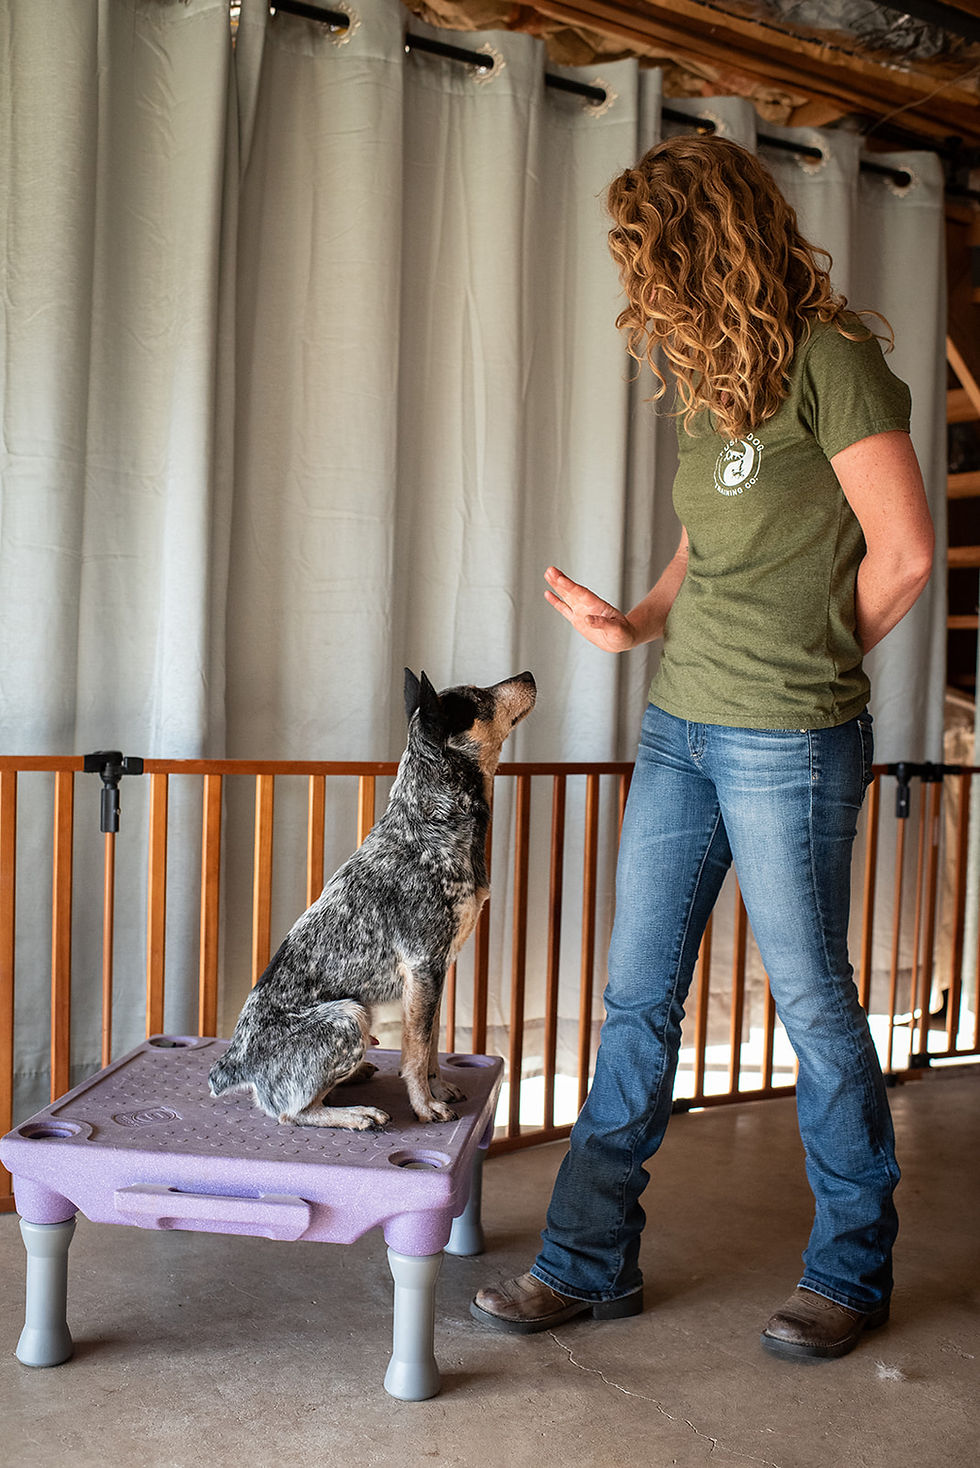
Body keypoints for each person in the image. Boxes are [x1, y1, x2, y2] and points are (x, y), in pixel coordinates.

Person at [470, 136, 935, 1361]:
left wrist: (821, 669)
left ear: (709, 246)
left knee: (813, 1007)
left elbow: (902, 556)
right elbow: (709, 548)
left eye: (655, 258)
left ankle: (847, 1271)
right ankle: (586, 1263)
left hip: (790, 736)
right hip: (678, 727)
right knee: (635, 1002)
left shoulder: (837, 362)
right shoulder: (718, 377)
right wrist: (636, 620)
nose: (646, 289)